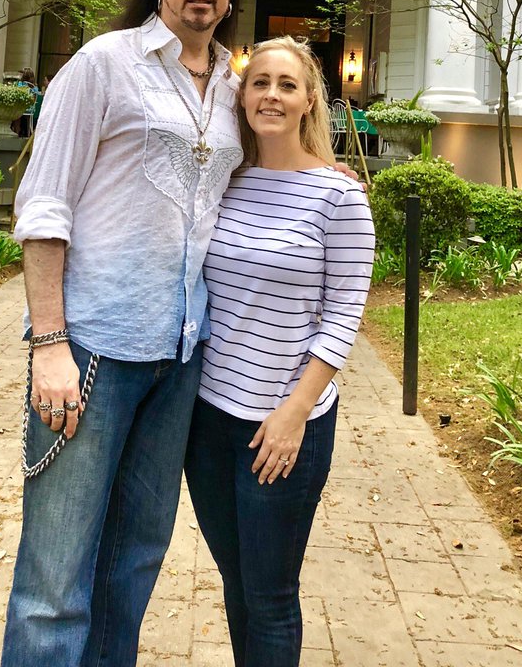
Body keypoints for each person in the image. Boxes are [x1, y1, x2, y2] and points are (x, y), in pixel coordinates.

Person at [1, 0, 246, 667]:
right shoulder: (105, 64)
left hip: (180, 358)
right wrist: (50, 344)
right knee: (56, 573)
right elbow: (44, 204)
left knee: (135, 559)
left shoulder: (234, 87)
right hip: (94, 351)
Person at [185, 36, 375, 667]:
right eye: (259, 81)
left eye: (286, 85)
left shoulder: (339, 197)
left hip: (284, 427)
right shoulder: (224, 182)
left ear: (309, 100)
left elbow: (344, 317)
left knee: (269, 596)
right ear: (241, 96)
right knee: (236, 583)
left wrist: (293, 413)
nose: (270, 94)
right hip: (209, 421)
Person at [14, 68, 40, 138]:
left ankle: (17, 132)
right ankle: (28, 132)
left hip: (22, 108)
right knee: (26, 117)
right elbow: (34, 98)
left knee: (16, 115)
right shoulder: (34, 86)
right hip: (30, 109)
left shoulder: (20, 84)